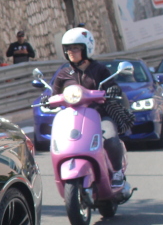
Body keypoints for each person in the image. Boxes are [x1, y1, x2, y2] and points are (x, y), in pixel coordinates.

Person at [51, 27, 129, 190]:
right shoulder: (64, 73)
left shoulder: (100, 70)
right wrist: (47, 99)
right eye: (68, 49)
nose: (71, 52)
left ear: (87, 49)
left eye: (75, 48)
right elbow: (54, 93)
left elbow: (111, 85)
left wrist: (112, 90)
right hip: (72, 119)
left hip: (99, 115)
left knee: (110, 138)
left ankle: (116, 172)